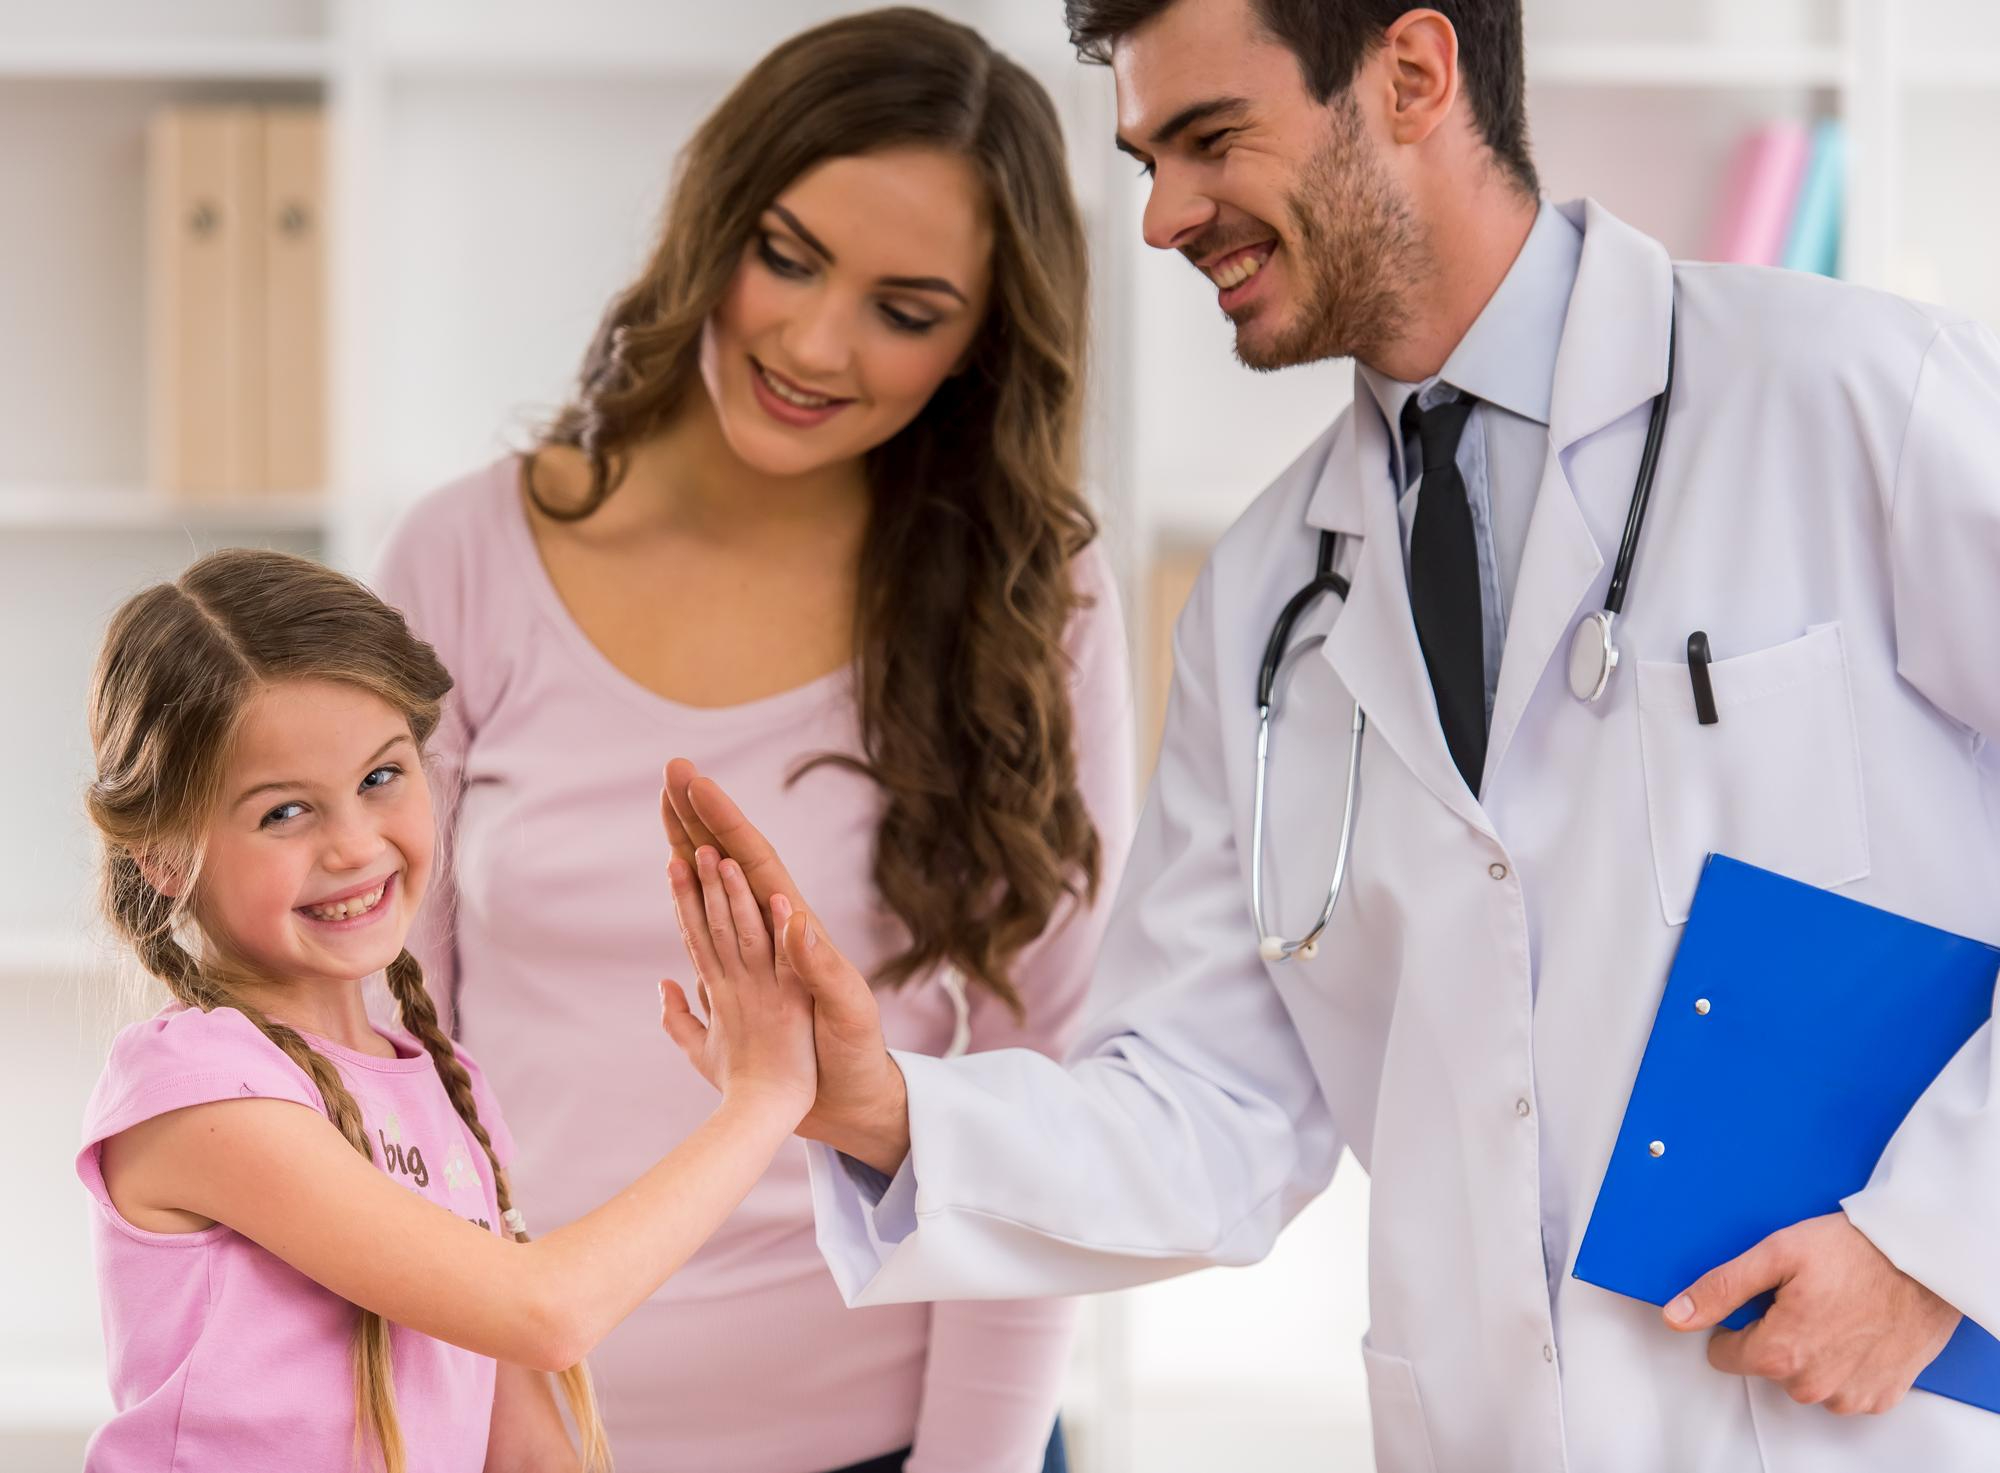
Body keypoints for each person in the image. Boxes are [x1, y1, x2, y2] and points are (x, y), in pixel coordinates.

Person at [656, 1, 2000, 1469]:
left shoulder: (1848, 397)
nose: (1165, 217)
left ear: (1413, 74)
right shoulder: (1265, 597)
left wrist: (1937, 1240)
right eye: (1147, 158)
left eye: (1211, 140)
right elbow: (1212, 1108)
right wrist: (884, 1107)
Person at [372, 10, 1134, 1471]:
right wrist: (481, 1398)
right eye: (785, 254)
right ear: (719, 214)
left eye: (906, 310)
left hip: (908, 1436)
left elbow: (1051, 1070)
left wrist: (967, 1462)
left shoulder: (1035, 600)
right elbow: (399, 1045)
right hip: (522, 1432)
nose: (809, 339)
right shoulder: (464, 556)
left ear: (981, 344)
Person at [75, 549, 819, 1472]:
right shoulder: (197, 1096)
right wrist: (763, 1098)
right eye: (282, 813)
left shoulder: (449, 1089)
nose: (353, 844)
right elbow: (544, 1310)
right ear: (163, 856)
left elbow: (528, 1446)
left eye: (382, 777)